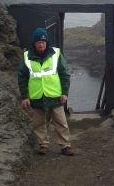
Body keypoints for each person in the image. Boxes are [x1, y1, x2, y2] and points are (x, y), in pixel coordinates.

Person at [17, 28, 75, 156]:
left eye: (43, 42)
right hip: (36, 95)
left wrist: (65, 93)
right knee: (38, 123)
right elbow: (22, 77)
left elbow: (64, 74)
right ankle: (43, 144)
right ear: (34, 43)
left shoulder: (56, 54)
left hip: (55, 94)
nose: (41, 45)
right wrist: (25, 97)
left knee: (61, 122)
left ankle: (65, 145)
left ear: (46, 43)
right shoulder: (27, 56)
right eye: (38, 42)